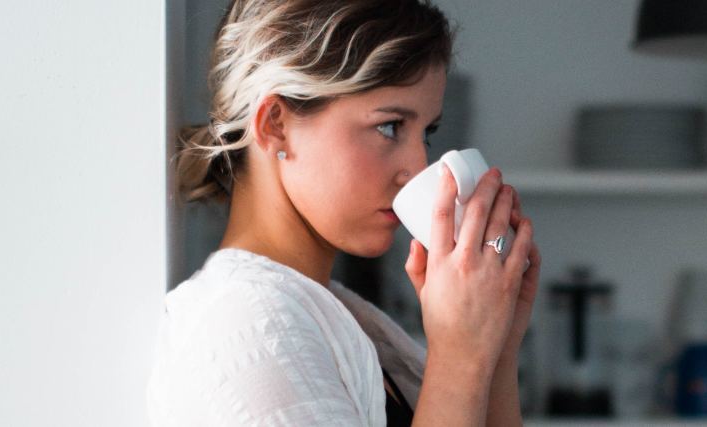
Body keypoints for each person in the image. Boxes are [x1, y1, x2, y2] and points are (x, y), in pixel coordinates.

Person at [146, 0, 541, 425]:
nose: (417, 167)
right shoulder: (249, 328)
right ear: (275, 124)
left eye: (426, 132)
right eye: (389, 126)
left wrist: (493, 348)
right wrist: (461, 355)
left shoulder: (339, 316)